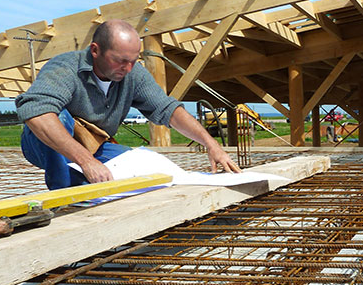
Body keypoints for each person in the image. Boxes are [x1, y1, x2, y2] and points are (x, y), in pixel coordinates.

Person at [16, 19, 240, 189]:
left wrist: (211, 144)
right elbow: (37, 113)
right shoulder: (65, 68)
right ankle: (64, 198)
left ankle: (86, 184)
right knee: (59, 117)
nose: (128, 69)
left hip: (93, 144)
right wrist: (87, 162)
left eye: (133, 61)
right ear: (95, 51)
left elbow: (168, 109)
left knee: (142, 168)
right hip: (43, 145)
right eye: (120, 61)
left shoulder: (132, 75)